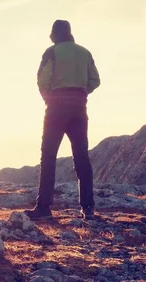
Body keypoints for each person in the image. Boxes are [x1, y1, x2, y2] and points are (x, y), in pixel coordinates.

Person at [24, 20, 101, 221]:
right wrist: (82, 93)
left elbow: (42, 78)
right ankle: (88, 208)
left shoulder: (52, 51)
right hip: (79, 108)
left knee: (48, 155)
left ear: (54, 34)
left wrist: (48, 98)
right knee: (81, 156)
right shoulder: (85, 53)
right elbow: (95, 80)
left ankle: (44, 207)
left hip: (56, 108)